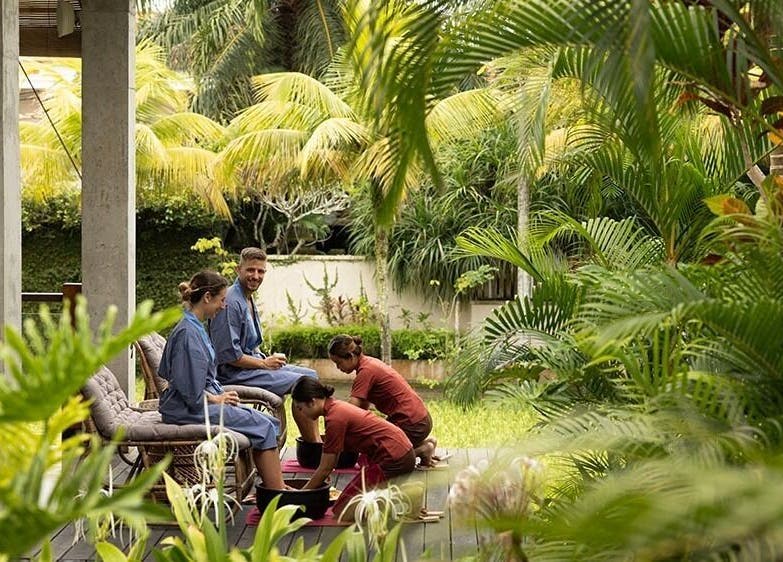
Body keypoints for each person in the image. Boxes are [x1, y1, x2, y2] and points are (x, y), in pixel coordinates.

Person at [158, 270, 285, 489]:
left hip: (197, 403)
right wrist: (217, 400)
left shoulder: (195, 327)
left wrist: (218, 396)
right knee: (263, 426)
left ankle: (273, 486)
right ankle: (277, 492)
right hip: (187, 409)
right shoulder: (188, 334)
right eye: (221, 300)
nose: (223, 305)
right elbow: (189, 391)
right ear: (207, 297)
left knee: (270, 422)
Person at [208, 247, 320, 442]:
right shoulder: (231, 303)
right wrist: (264, 364)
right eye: (250, 270)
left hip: (251, 368)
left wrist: (268, 359)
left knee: (311, 376)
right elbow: (228, 355)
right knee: (305, 383)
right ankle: (314, 446)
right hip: (231, 374)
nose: (256, 276)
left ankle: (314, 443)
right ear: (238, 269)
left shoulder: (247, 298)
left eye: (261, 271)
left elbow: (249, 345)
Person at [292, 377, 416, 519]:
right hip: (400, 452)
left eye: (300, 408)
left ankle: (408, 494)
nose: (301, 414)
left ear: (312, 402)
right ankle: (393, 494)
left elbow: (326, 467)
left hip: (393, 458)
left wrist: (300, 495)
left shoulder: (334, 418)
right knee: (347, 507)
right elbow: (331, 461)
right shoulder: (335, 408)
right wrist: (322, 477)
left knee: (345, 512)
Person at [328, 334, 438, 466]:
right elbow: (360, 409)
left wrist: (335, 426)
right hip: (420, 419)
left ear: (351, 357)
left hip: (412, 424)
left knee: (376, 463)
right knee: (373, 446)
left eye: (338, 363)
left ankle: (422, 450)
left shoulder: (366, 372)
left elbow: (350, 412)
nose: (338, 368)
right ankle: (424, 443)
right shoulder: (370, 363)